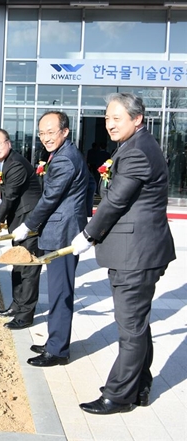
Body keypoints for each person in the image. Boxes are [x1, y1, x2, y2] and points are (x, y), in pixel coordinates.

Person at [73, 93, 175, 415]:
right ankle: (140, 387)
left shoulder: (137, 153)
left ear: (137, 119)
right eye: (106, 118)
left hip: (137, 255)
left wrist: (88, 234)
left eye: (117, 118)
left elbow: (116, 200)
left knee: (129, 329)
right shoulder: (135, 146)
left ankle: (117, 396)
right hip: (139, 252)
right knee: (138, 326)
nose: (110, 124)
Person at [12, 111, 88, 367]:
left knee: (60, 292)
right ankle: (54, 341)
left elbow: (51, 198)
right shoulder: (62, 154)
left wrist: (28, 225)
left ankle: (57, 351)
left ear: (65, 131)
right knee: (57, 291)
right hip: (63, 230)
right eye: (42, 132)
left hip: (63, 234)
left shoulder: (65, 159)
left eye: (50, 131)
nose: (45, 137)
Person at [0, 129, 42, 330]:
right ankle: (16, 306)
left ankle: (25, 315)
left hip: (29, 222)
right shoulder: (6, 163)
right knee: (17, 264)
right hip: (19, 221)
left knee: (28, 269)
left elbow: (10, 197)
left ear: (8, 143)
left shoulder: (16, 164)